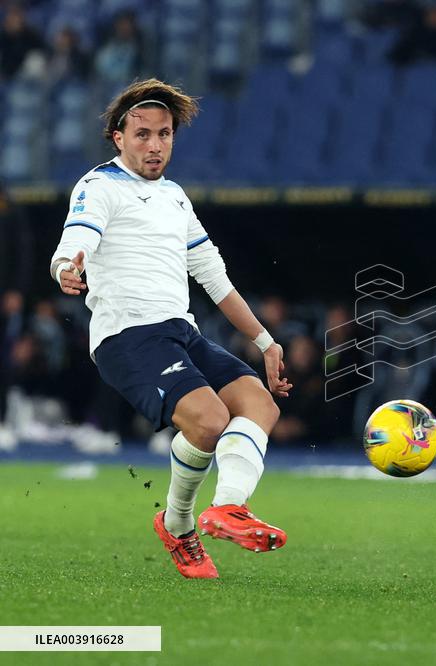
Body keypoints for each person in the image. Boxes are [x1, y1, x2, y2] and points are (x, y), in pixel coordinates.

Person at [49, 79, 293, 579]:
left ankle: (226, 508)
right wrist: (64, 268)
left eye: (164, 134)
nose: (155, 145)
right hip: (128, 336)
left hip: (181, 331)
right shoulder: (98, 186)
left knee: (258, 403)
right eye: (142, 134)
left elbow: (215, 280)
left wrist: (266, 343)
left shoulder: (176, 197)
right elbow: (76, 239)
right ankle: (180, 525)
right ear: (119, 138)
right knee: (208, 420)